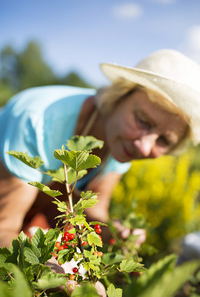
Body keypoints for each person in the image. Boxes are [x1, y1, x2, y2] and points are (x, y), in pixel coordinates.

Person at [1, 49, 200, 249]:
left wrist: (115, 232)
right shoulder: (37, 121)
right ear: (119, 97)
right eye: (142, 121)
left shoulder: (123, 141)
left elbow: (95, 208)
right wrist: (53, 271)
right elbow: (4, 228)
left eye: (164, 140)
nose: (145, 147)